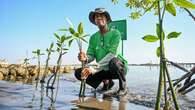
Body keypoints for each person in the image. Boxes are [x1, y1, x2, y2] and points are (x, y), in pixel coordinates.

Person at [74, 7, 128, 95]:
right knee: (78, 73)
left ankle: (123, 87)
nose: (99, 18)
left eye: (102, 16)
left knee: (114, 62)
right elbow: (91, 55)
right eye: (96, 16)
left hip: (116, 68)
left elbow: (112, 54)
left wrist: (93, 68)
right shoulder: (93, 37)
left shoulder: (116, 33)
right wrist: (85, 58)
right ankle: (107, 83)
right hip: (101, 69)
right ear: (95, 21)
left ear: (107, 19)